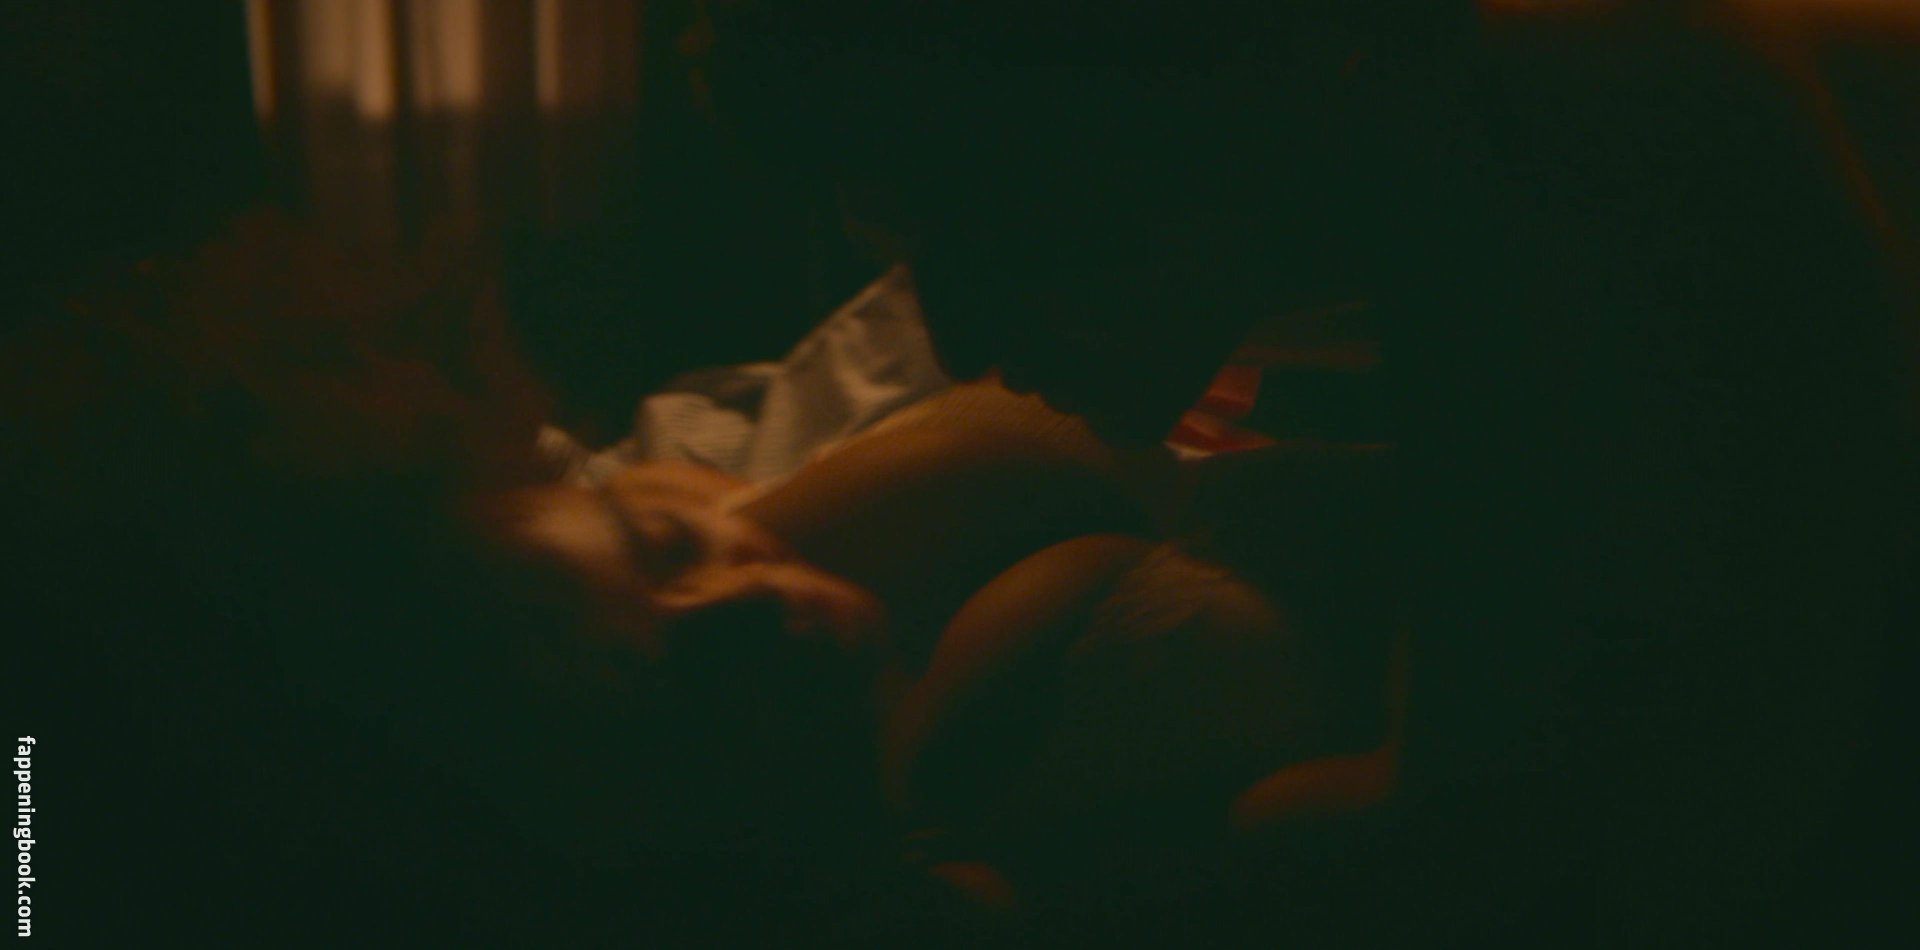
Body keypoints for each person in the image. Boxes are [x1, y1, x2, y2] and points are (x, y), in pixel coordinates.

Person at [698, 1, 1916, 944]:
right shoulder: (1348, 153)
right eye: (903, 246)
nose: (958, 332)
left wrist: (944, 880)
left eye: (994, 223)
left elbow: (1547, 843)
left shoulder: (1582, 107)